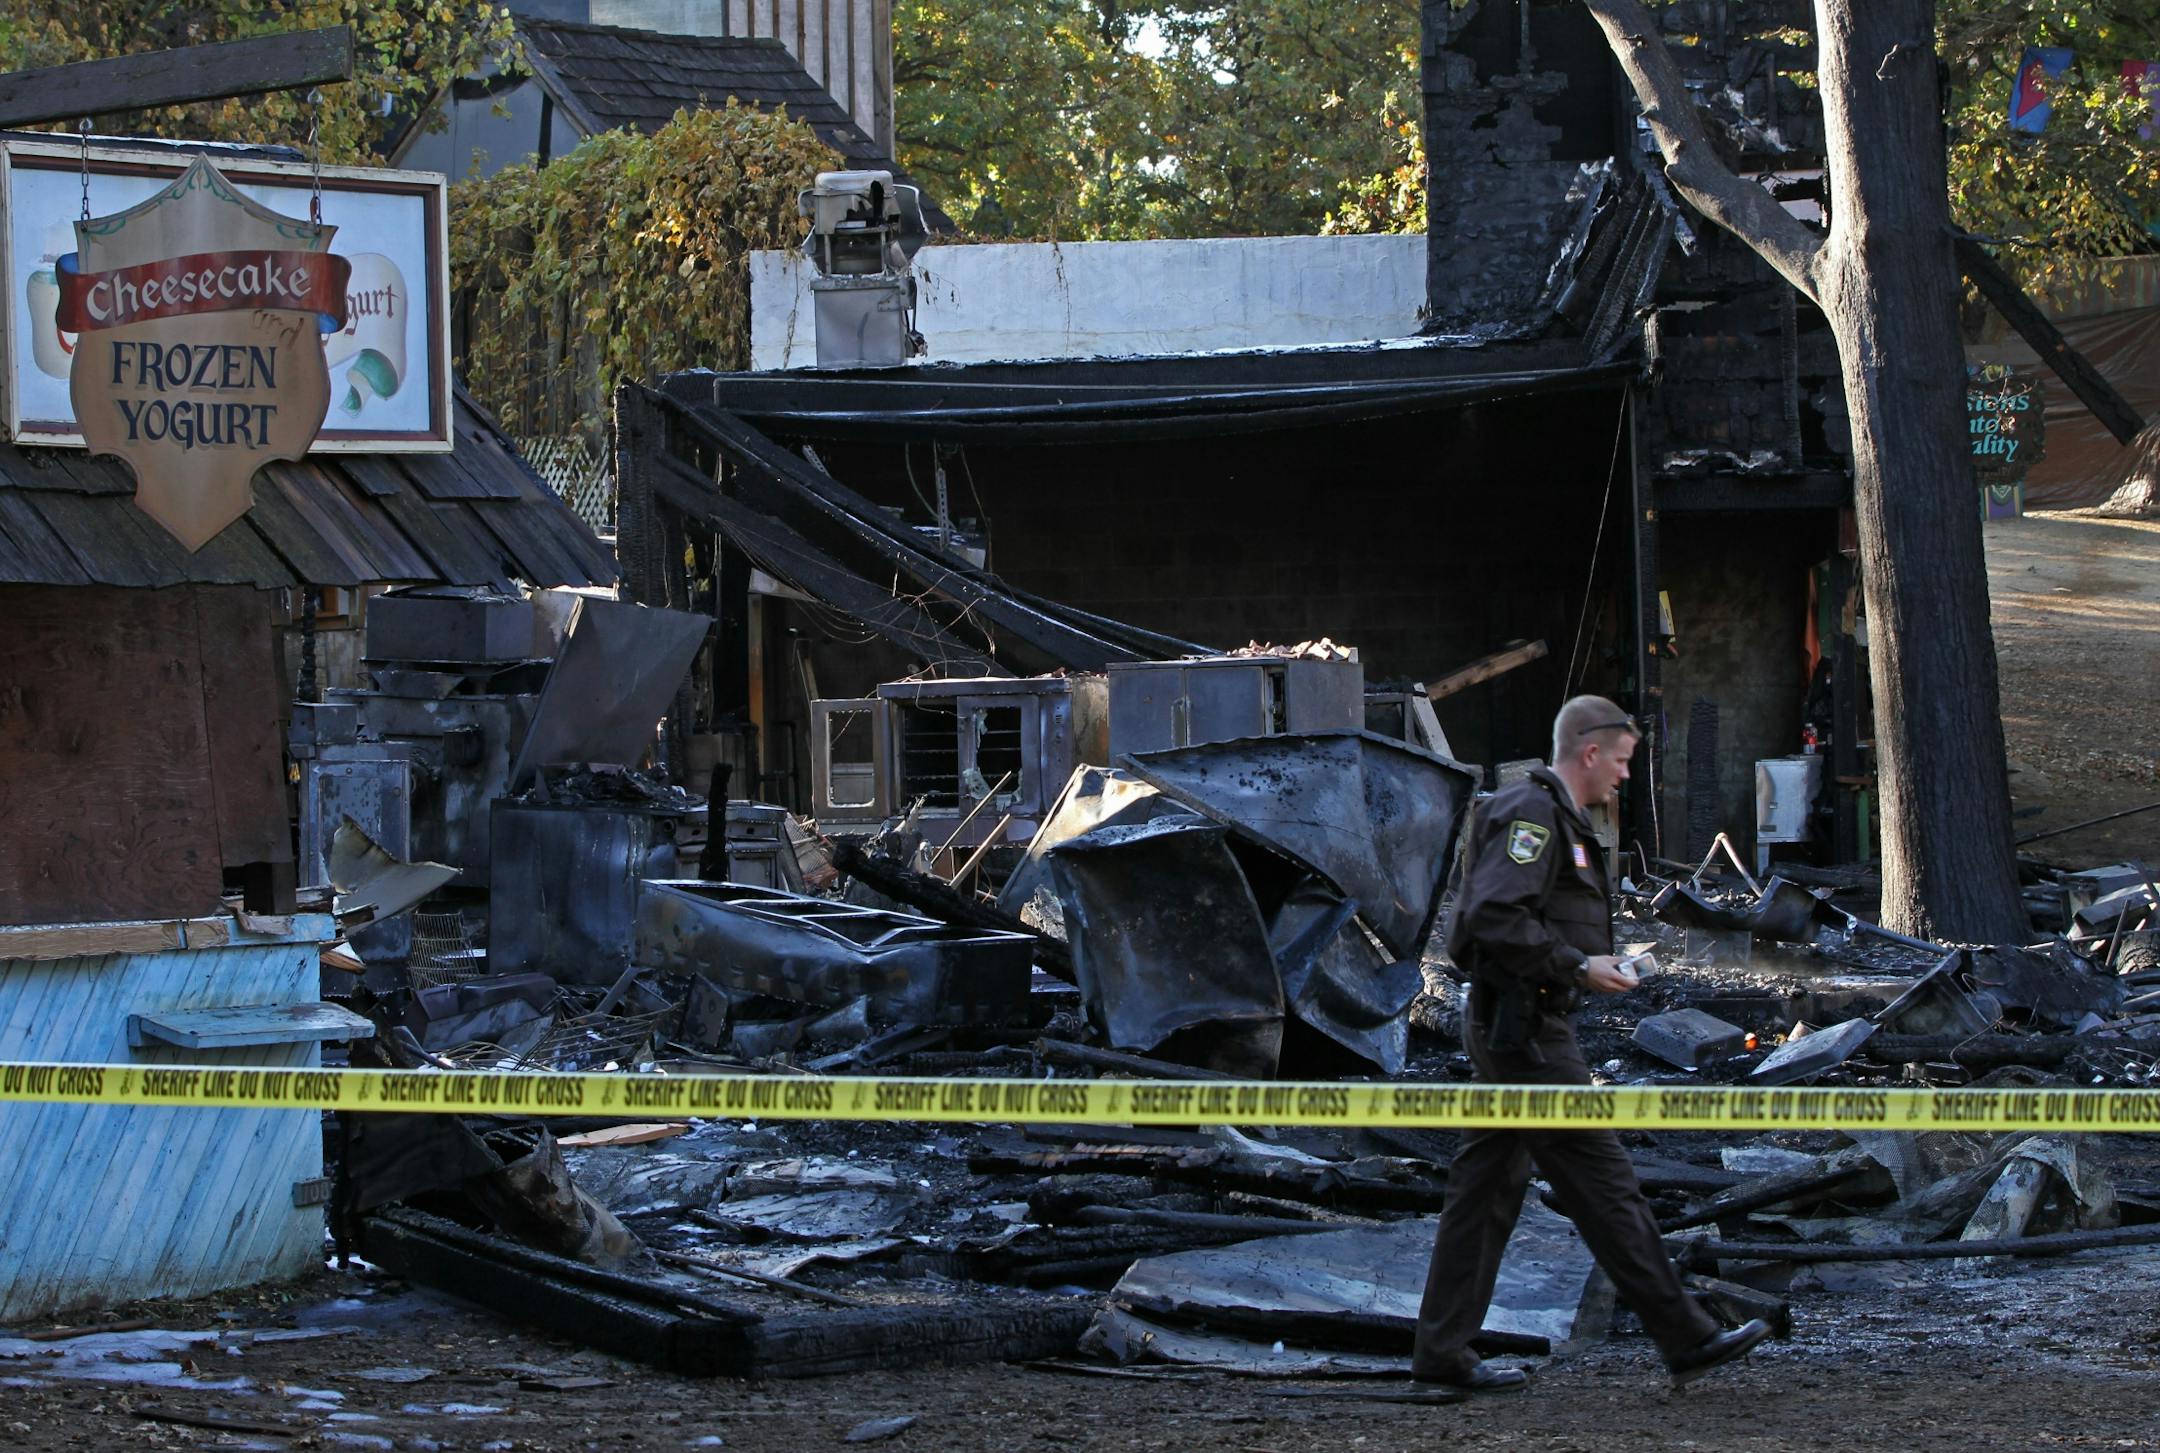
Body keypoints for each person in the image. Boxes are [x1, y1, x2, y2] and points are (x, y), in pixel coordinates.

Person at [1411, 694, 1771, 1393]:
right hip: (1525, 1033)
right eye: (1624, 761)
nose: (1626, 776)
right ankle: (1686, 1334)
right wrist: (1576, 965)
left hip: (1520, 1026)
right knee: (1605, 1184)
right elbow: (1492, 916)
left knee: (1484, 1194)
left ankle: (1441, 1353)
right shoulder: (1533, 814)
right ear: (1590, 750)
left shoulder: (1559, 819)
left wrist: (1584, 964)